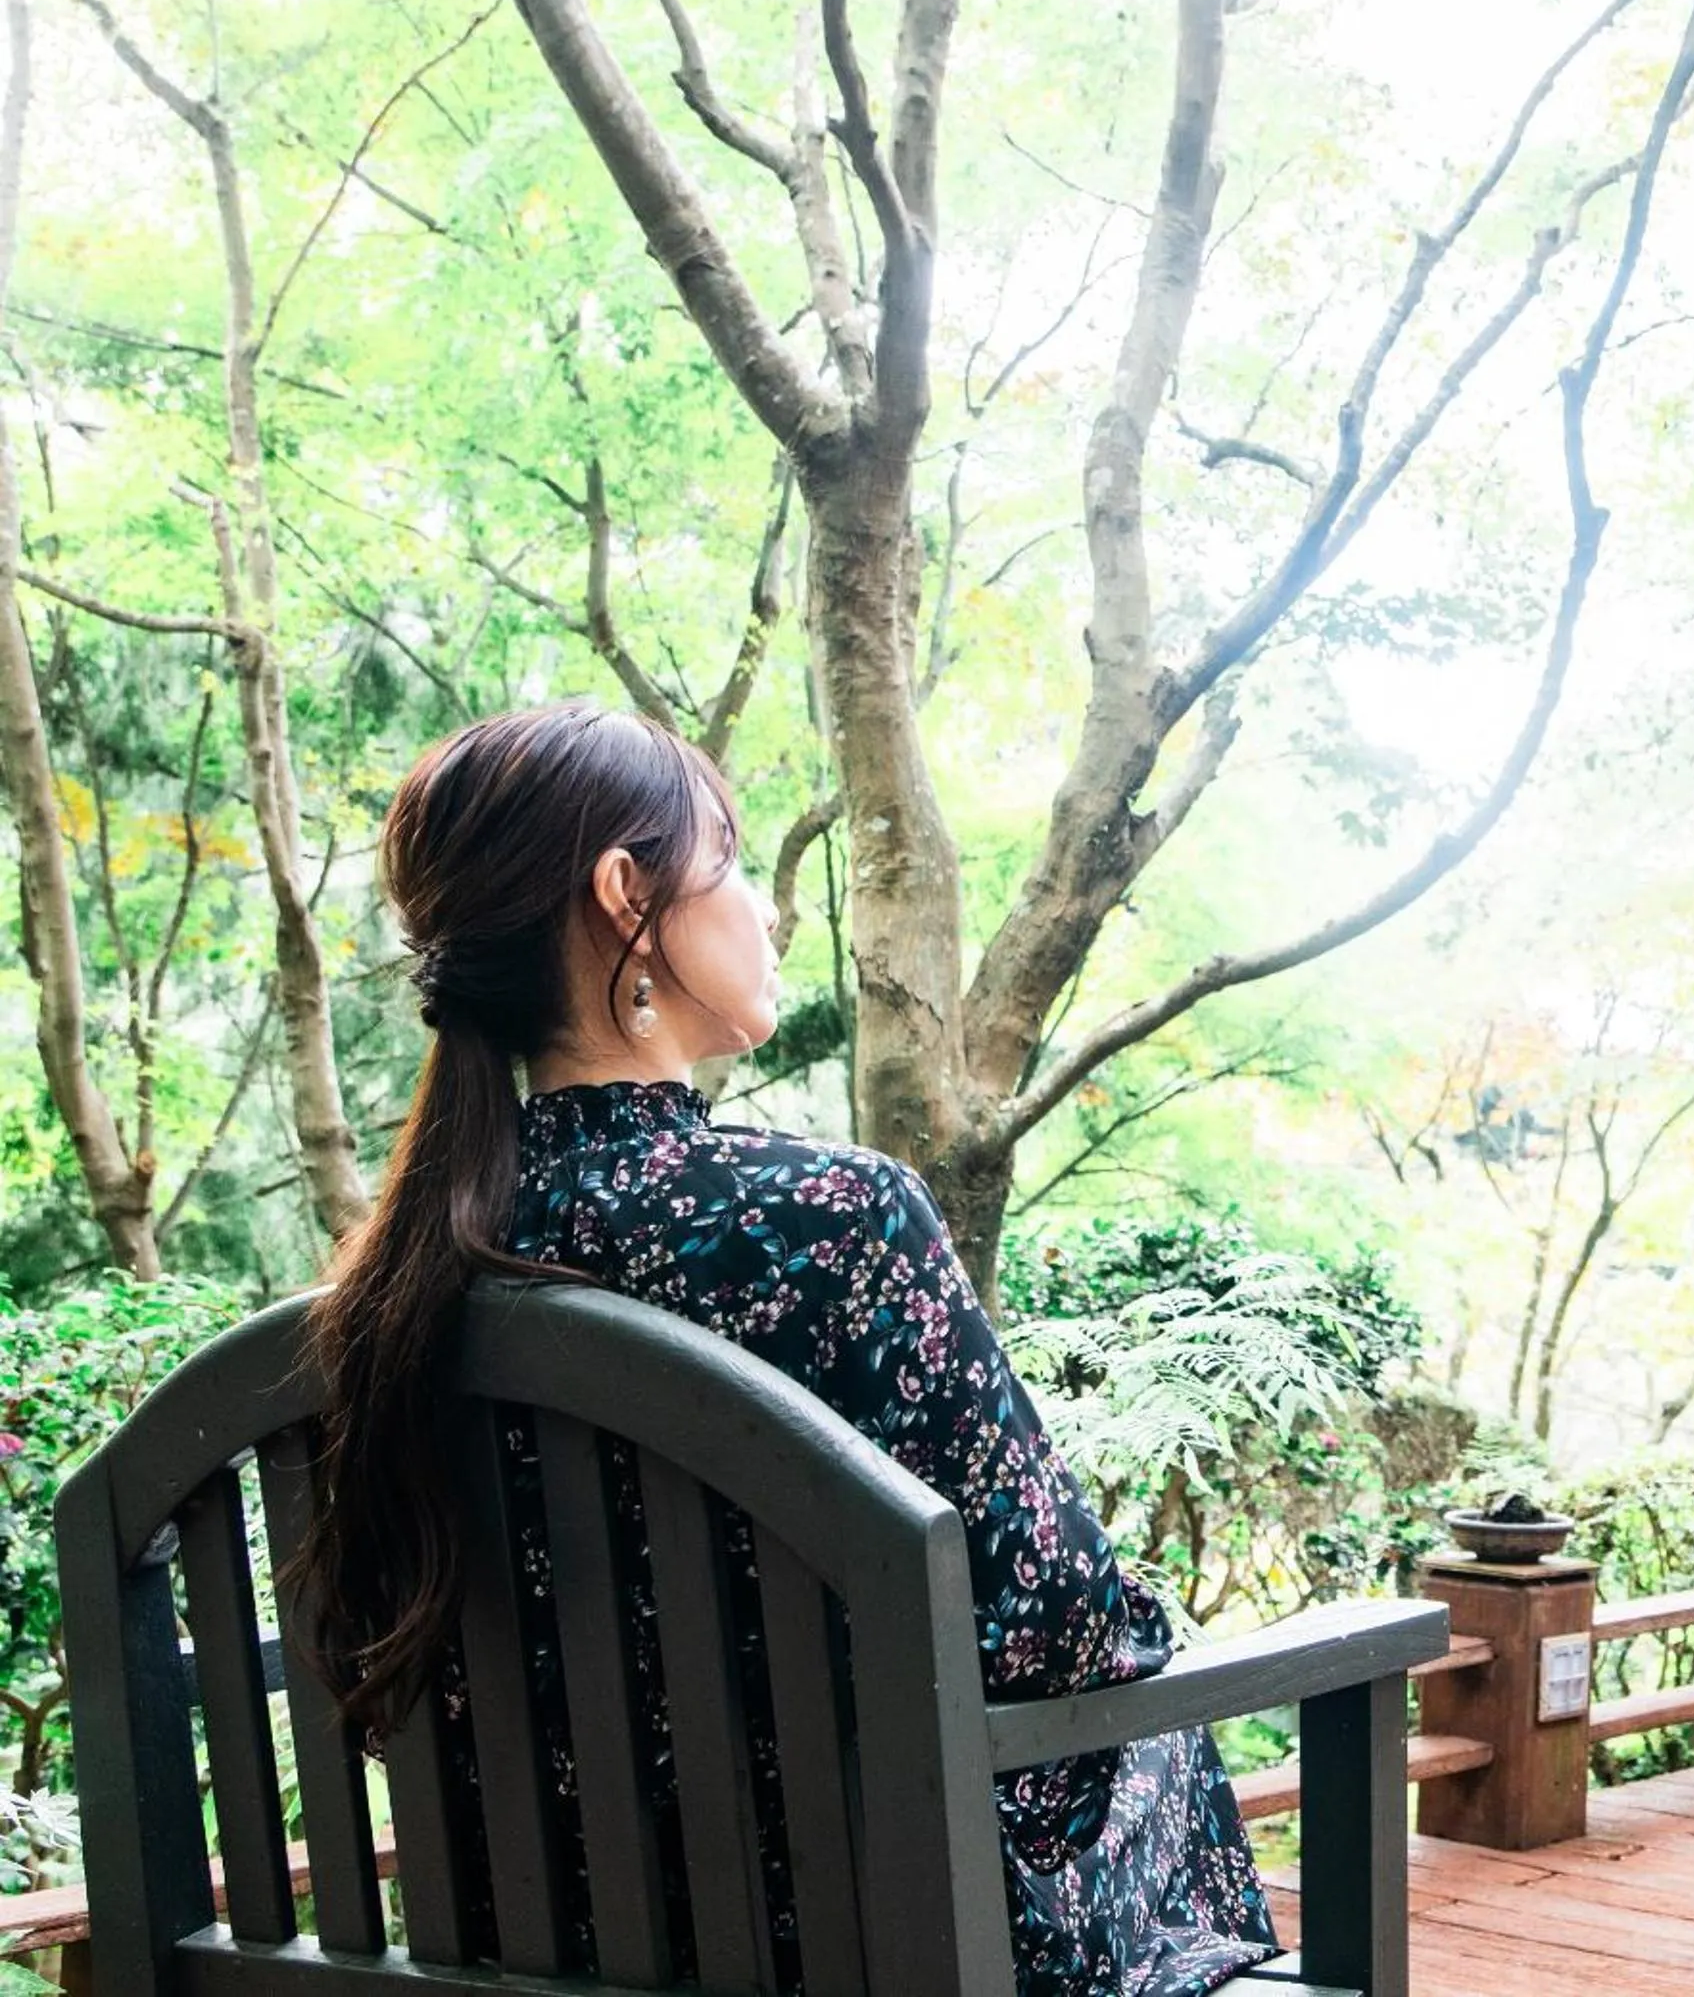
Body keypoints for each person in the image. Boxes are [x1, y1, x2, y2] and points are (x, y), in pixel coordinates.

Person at [289, 702, 1276, 1997]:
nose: (767, 914)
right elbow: (1057, 1636)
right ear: (623, 893)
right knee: (1154, 1730)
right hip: (856, 1947)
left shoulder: (390, 1289)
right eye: (730, 866)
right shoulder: (827, 1227)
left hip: (534, 1947)